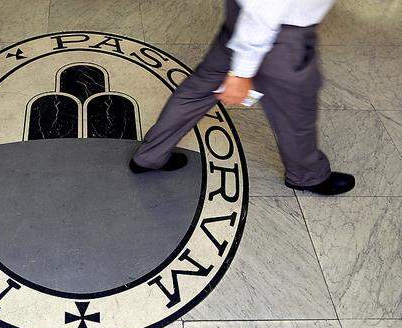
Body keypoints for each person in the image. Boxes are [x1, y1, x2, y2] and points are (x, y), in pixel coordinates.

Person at [129, 0, 355, 195]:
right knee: (296, 114)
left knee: (197, 91)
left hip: (242, 15)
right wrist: (241, 72)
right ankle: (307, 175)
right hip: (277, 30)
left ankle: (150, 154)